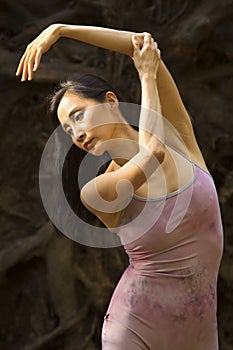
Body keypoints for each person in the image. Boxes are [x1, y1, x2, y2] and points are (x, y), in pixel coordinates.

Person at [16, 24, 224, 349]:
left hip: (199, 330)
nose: (77, 134)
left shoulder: (181, 142)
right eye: (68, 129)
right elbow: (151, 152)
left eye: (79, 116)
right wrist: (146, 77)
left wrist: (61, 30)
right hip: (136, 329)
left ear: (111, 101)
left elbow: (139, 45)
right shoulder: (99, 190)